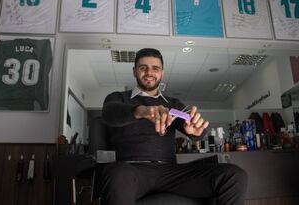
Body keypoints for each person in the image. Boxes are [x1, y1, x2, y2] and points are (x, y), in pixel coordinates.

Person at [100, 48, 248, 205]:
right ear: (134, 71)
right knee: (116, 174)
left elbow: (193, 128)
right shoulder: (118, 98)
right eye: (143, 67)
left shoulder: (173, 105)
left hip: (170, 172)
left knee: (234, 176)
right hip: (131, 170)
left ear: (162, 73)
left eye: (155, 68)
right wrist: (141, 111)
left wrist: (196, 132)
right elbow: (110, 114)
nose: (149, 72)